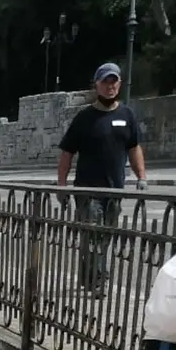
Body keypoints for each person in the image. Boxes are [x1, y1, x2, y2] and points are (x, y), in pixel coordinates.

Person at [55, 63, 148, 297]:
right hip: (88, 191)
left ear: (119, 84)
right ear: (96, 85)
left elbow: (134, 148)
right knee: (94, 234)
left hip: (115, 190)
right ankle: (99, 280)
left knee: (105, 236)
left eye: (114, 81)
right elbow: (67, 153)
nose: (110, 86)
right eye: (105, 81)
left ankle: (90, 275)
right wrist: (61, 186)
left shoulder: (126, 115)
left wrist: (141, 177)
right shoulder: (85, 118)